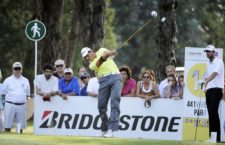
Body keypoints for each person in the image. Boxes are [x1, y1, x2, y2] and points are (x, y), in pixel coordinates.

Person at [81, 47, 122, 138]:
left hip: (116, 77)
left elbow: (109, 54)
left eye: (87, 55)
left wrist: (112, 53)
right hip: (103, 80)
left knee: (115, 102)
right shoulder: (91, 65)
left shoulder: (101, 50)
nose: (87, 58)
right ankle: (104, 129)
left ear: (91, 51)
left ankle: (111, 129)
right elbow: (100, 61)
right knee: (101, 106)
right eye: (85, 58)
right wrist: (106, 55)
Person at [203, 45, 224, 142]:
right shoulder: (207, 64)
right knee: (211, 114)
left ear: (214, 52)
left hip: (217, 89)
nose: (208, 53)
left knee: (213, 112)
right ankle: (213, 138)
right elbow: (205, 77)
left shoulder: (219, 62)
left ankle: (217, 138)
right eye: (206, 51)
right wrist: (205, 87)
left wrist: (206, 81)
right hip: (209, 90)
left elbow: (215, 74)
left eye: (209, 51)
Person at [2, 62, 30, 133]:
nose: (17, 70)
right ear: (12, 69)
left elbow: (27, 95)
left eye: (19, 68)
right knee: (7, 125)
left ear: (21, 70)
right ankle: (7, 139)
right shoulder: (7, 80)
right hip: (9, 104)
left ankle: (19, 139)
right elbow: (3, 93)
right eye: (15, 68)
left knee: (19, 128)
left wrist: (28, 104)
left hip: (21, 105)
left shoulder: (26, 80)